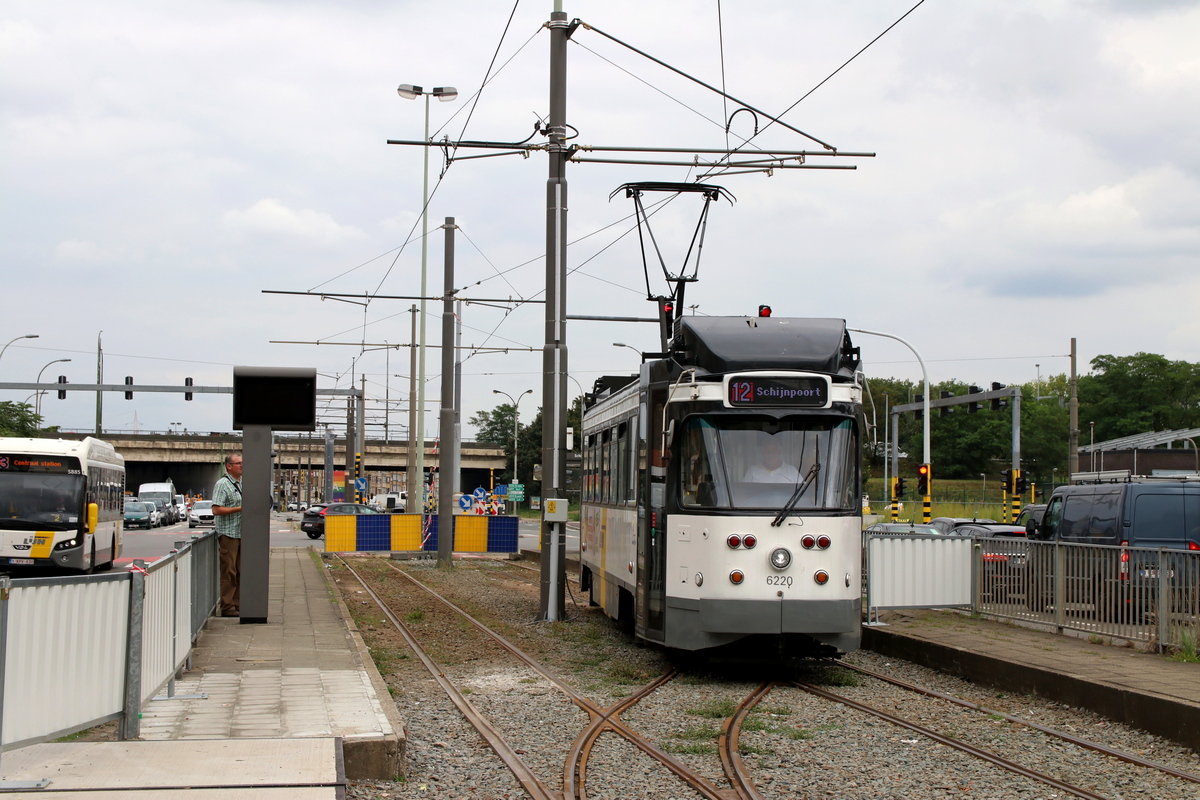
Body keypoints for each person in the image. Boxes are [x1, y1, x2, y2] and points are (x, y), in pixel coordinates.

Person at [212, 453, 243, 617]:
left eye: (242, 463)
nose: (242, 466)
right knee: (229, 571)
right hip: (229, 534)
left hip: (241, 533)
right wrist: (239, 509)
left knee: (240, 570)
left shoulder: (241, 483)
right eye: (238, 463)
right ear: (229, 466)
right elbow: (216, 510)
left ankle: (238, 604)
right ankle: (227, 606)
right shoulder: (222, 484)